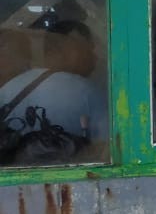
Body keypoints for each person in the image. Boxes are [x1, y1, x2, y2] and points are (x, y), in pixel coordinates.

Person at [0, 20, 106, 161]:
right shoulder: (86, 91)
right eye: (89, 48)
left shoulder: (7, 89)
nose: (95, 57)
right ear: (70, 48)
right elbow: (107, 150)